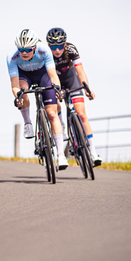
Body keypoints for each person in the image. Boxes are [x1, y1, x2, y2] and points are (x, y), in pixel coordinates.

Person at [7, 28, 68, 170]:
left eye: (28, 50)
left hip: (43, 76)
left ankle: (60, 155)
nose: (24, 53)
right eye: (21, 49)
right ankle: (28, 123)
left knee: (52, 114)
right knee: (22, 92)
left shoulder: (44, 50)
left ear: (34, 47)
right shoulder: (12, 57)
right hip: (24, 77)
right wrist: (18, 97)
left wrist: (57, 89)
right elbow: (15, 85)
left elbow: (53, 76)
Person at [46, 27, 102, 166]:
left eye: (60, 46)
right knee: (56, 105)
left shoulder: (71, 49)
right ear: (49, 46)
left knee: (81, 114)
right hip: (55, 81)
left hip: (71, 80)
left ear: (64, 44)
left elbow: (80, 71)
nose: (57, 50)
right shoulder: (46, 54)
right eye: (53, 47)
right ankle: (62, 127)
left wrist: (87, 88)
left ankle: (93, 152)